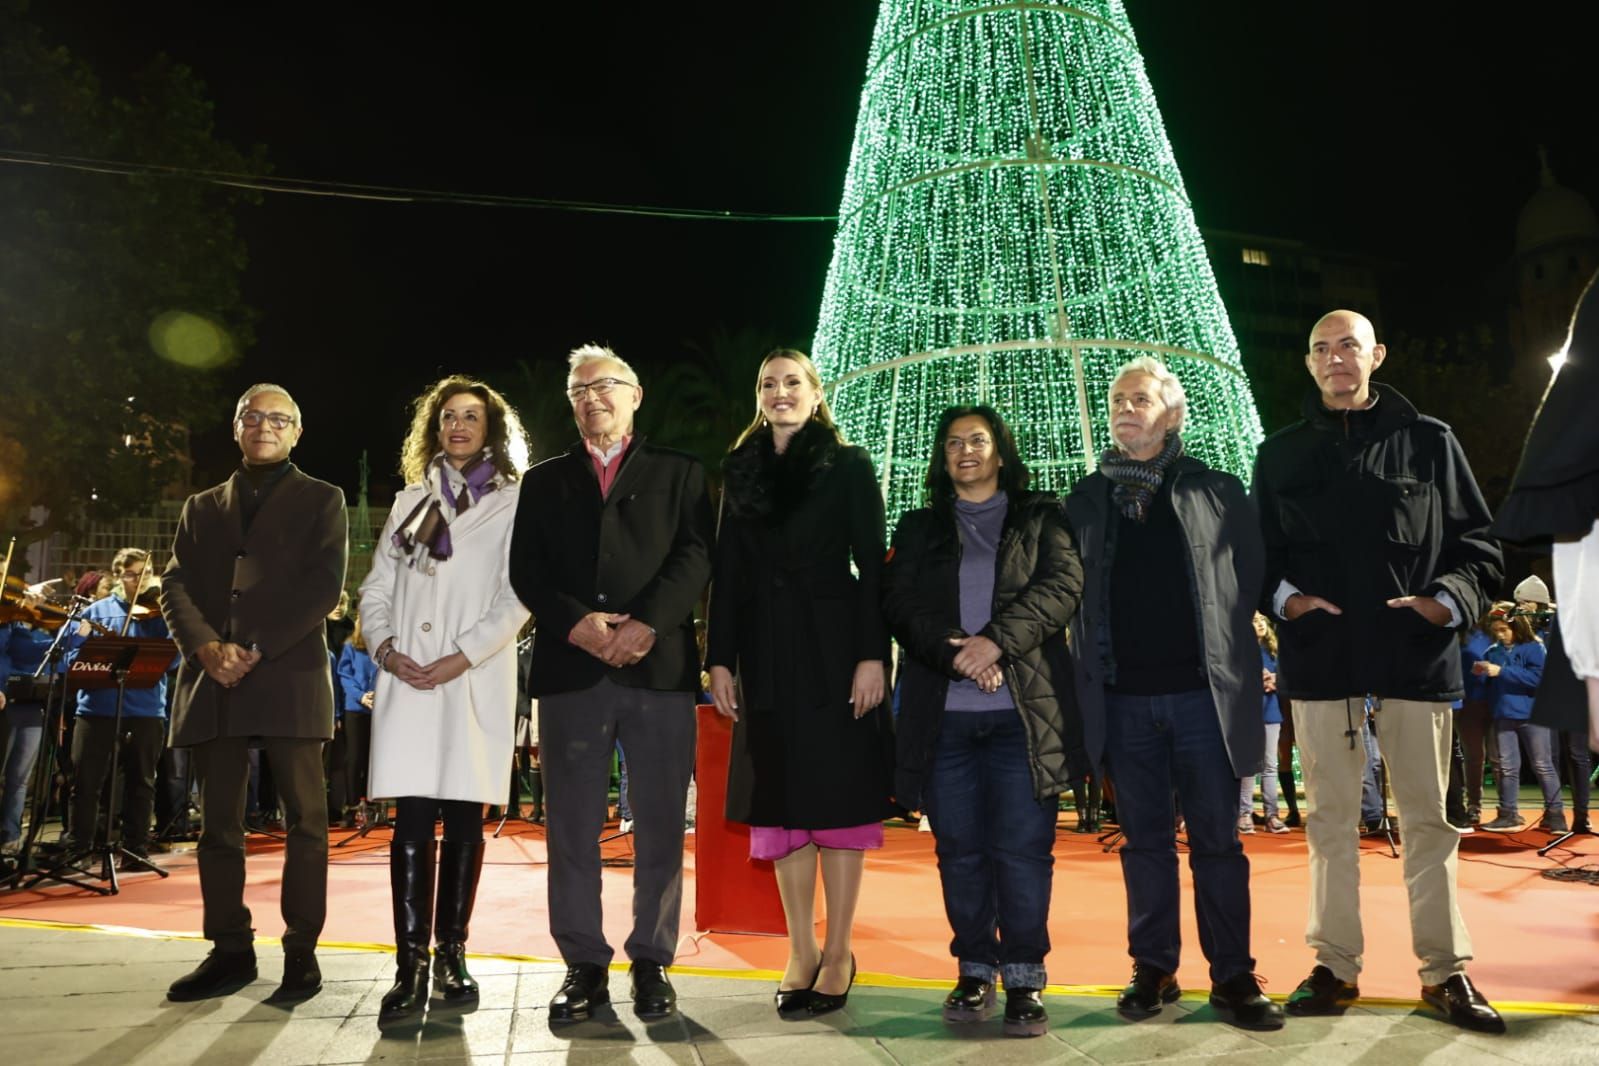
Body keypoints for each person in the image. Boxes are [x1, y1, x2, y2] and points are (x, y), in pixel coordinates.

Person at [1253, 310, 1505, 1033]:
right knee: (1328, 824)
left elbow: (1479, 550)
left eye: (1348, 347)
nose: (1335, 359)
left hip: (1414, 660)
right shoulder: (1278, 454)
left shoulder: (1431, 441)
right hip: (1320, 661)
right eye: (1321, 349)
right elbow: (1255, 559)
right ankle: (1333, 966)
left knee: (1427, 823)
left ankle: (1445, 973)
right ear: (1307, 363)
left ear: (1375, 356)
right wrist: (1286, 600)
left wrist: (1443, 603)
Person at [1065, 356, 1282, 1031]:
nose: (1126, 409)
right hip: (1121, 702)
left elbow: (1250, 578)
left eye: (1140, 398)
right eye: (1117, 400)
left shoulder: (1217, 489)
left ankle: (1234, 977)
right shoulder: (1084, 500)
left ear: (1173, 413)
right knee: (1145, 845)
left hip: (1203, 701)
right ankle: (1152, 969)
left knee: (1218, 842)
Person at [508, 344, 713, 1022]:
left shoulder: (681, 472)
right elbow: (527, 571)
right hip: (572, 673)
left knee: (657, 822)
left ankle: (651, 960)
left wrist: (646, 623)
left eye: (603, 386)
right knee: (569, 826)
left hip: (658, 671)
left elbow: (696, 553)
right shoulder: (543, 480)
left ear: (634, 395)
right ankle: (583, 965)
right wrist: (578, 625)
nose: (590, 398)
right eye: (577, 391)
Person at [881, 403, 1083, 1036]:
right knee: (960, 852)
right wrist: (956, 653)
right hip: (944, 722)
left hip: (1026, 719)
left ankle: (1024, 976)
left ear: (1001, 449)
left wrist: (994, 641)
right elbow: (899, 604)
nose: (965, 451)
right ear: (942, 460)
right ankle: (974, 970)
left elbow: (1061, 586)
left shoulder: (1041, 515)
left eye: (978, 440)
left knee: (1023, 852)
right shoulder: (919, 527)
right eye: (952, 444)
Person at [706, 350, 896, 1018]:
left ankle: (839, 951)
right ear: (757, 396)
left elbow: (872, 566)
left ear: (816, 395)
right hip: (763, 655)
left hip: (836, 650)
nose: (779, 392)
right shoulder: (741, 470)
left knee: (836, 804)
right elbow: (726, 571)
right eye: (767, 384)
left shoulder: (847, 465)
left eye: (792, 383)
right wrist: (718, 658)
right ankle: (800, 949)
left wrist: (873, 656)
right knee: (782, 804)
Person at [160, 383, 348, 1003]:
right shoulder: (201, 505)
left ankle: (302, 952)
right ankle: (230, 950)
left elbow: (323, 588)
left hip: (289, 674)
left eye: (278, 418)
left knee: (307, 822)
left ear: (297, 431)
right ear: (236, 426)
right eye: (252, 416)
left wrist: (254, 646)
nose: (263, 425)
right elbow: (176, 583)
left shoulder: (325, 499)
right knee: (218, 826)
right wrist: (208, 648)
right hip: (213, 679)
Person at [359, 375, 531, 1021]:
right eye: (448, 416)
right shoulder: (410, 502)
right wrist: (385, 647)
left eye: (472, 417)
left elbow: (520, 594)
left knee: (462, 817)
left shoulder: (515, 502)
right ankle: (410, 965)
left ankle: (452, 953)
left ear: (490, 430)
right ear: (434, 427)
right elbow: (376, 589)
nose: (458, 426)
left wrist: (463, 654)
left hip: (470, 679)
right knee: (410, 818)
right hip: (408, 680)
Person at [61, 548, 180, 864]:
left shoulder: (161, 613)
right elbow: (69, 658)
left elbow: (174, 659)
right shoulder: (97, 612)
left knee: (142, 783)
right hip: (96, 710)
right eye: (131, 574)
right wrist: (86, 650)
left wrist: (173, 621)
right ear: (117, 576)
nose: (139, 581)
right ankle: (80, 848)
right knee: (86, 783)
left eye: (145, 573)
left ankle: (135, 848)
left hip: (145, 710)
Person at [1476, 617, 1559, 833]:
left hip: (1532, 714)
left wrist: (1502, 672)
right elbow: (1488, 684)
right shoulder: (1493, 651)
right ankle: (1508, 814)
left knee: (1542, 765)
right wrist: (1481, 673)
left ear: (1516, 627)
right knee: (1507, 768)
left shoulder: (1534, 648)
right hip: (1504, 714)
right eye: (1496, 631)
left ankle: (1556, 815)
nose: (1500, 635)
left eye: (1503, 630)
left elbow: (1540, 679)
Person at [0, 618, 55, 857]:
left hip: (30, 704)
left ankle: (10, 837)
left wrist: (69, 633)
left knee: (20, 778)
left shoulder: (19, 628)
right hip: (6, 703)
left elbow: (30, 653)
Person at [1241, 614, 1289, 834]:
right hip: (1249, 713)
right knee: (1249, 765)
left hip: (1271, 713)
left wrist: (1275, 681)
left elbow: (1286, 678)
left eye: (1262, 620)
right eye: (1254, 621)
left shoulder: (1274, 651)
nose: (1260, 623)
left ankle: (1272, 816)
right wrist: (1254, 681)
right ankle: (1244, 814)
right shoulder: (1241, 652)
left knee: (1270, 766)